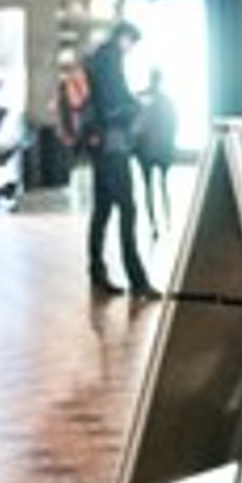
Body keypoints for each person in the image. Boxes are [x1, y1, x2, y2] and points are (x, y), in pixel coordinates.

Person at [81, 21, 155, 298]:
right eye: (132, 43)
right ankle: (138, 280)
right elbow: (113, 102)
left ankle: (97, 272)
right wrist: (136, 106)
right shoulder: (110, 58)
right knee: (128, 208)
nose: (131, 50)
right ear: (124, 38)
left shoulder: (96, 57)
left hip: (98, 144)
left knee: (102, 211)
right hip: (113, 144)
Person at [130, 69, 178, 241]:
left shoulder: (142, 99)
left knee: (148, 188)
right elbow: (173, 127)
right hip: (162, 149)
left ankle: (155, 224)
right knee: (163, 186)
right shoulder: (167, 102)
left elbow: (136, 126)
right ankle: (167, 220)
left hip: (146, 151)